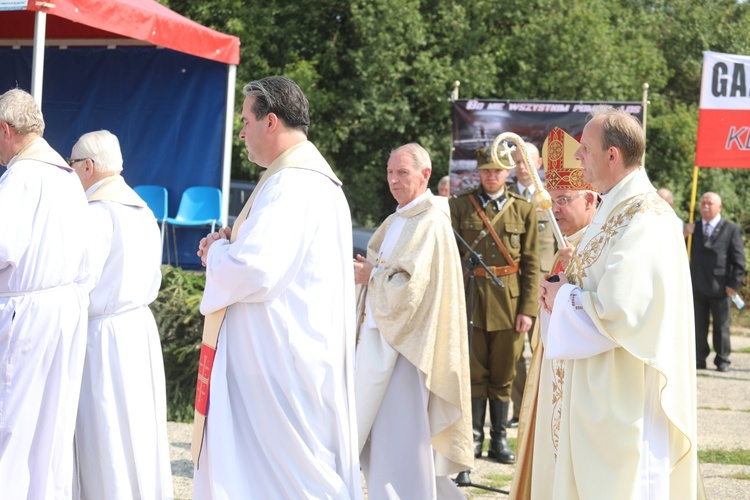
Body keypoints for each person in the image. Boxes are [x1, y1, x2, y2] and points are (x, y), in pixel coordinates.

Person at [192, 76, 361, 499]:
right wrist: (234, 244)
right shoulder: (305, 179)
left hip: (280, 359)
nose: (242, 132)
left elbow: (256, 269)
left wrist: (216, 252)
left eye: (246, 121)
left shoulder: (292, 184)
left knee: (289, 477)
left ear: (271, 121)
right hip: (288, 349)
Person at [537, 107, 704, 498]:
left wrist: (564, 299)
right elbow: (593, 282)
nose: (578, 157)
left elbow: (622, 310)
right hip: (598, 386)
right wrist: (560, 287)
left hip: (624, 394)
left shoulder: (646, 217)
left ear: (613, 156)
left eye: (586, 150)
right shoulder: (615, 208)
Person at [354, 143, 472, 499]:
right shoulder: (396, 220)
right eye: (390, 172)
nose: (394, 180)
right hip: (381, 342)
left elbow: (412, 289)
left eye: (402, 172)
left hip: (409, 350)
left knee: (402, 437)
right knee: (380, 437)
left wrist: (371, 275)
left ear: (424, 175)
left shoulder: (431, 221)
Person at [69, 130, 173, 499]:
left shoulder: (97, 212)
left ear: (89, 167)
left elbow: (80, 279)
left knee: (106, 428)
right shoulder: (142, 208)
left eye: (72, 165)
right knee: (138, 429)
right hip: (138, 328)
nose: (71, 174)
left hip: (102, 336)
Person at [0, 88, 90, 498]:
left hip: (27, 312)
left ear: (5, 130)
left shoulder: (21, 176)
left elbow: (3, 248)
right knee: (50, 425)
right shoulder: (67, 176)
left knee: (13, 421)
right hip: (65, 309)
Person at [508, 127, 598, 499]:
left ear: (591, 200)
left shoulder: (597, 247)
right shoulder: (568, 248)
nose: (554, 207)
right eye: (553, 198)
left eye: (565, 199)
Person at [449, 145, 540, 468]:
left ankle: (499, 438)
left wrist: (527, 310)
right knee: (474, 373)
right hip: (470, 298)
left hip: (509, 302)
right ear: (478, 172)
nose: (491, 176)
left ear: (508, 173)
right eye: (486, 170)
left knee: (504, 373)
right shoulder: (460, 206)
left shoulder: (524, 209)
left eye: (497, 171)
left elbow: (531, 263)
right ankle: (474, 435)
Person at [505, 142, 555, 428]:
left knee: (543, 350)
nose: (521, 167)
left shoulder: (550, 198)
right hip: (514, 286)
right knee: (513, 354)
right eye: (516, 162)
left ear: (538, 164)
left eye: (526, 161)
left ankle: (542, 409)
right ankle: (520, 409)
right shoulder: (508, 199)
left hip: (544, 288)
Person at [685, 192, 745, 372]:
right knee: (698, 325)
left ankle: (722, 359)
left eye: (709, 203)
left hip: (721, 287)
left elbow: (739, 261)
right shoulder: (693, 227)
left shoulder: (730, 229)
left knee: (721, 327)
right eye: (703, 202)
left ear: (719, 207)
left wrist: (733, 285)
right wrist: (684, 234)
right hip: (697, 285)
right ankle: (699, 358)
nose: (705, 206)